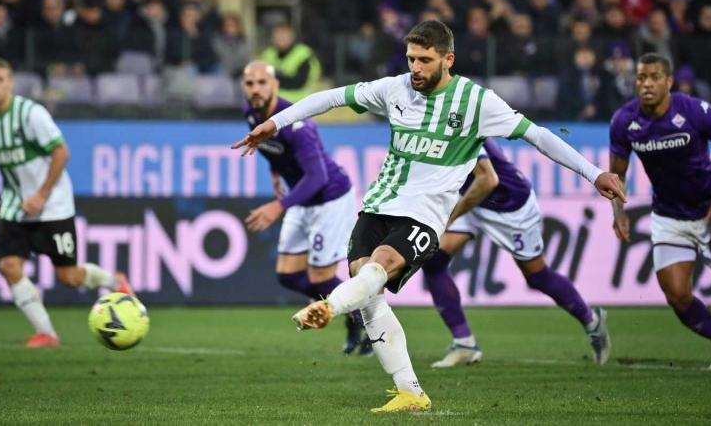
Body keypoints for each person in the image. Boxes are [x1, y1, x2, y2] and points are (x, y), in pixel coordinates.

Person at [233, 21, 625, 413]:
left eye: (424, 60)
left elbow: (538, 135)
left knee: (377, 272)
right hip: (378, 204)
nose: (415, 68)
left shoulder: (477, 102)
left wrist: (595, 174)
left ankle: (329, 308)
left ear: (447, 59)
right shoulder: (395, 88)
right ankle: (410, 392)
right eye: (411, 59)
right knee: (368, 291)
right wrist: (274, 123)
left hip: (426, 216)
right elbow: (332, 97)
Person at [0, 58, 133, 348]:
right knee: (8, 265)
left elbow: (61, 153)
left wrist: (41, 195)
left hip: (53, 205)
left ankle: (115, 282)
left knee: (69, 276)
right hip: (14, 206)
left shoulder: (31, 114)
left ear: (11, 83)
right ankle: (46, 333)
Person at [425, 138, 610, 368]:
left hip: (510, 206)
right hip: (472, 200)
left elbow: (487, 179)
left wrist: (450, 216)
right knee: (433, 260)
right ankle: (464, 344)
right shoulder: (432, 123)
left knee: (537, 276)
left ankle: (592, 321)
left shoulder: (463, 123)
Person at [610, 52, 711, 370]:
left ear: (669, 81)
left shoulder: (694, 110)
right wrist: (618, 212)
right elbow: (617, 174)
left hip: (710, 212)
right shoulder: (624, 121)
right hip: (667, 215)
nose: (646, 84)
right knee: (677, 295)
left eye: (654, 77)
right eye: (641, 78)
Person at [241, 61, 367, 355]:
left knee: (321, 277)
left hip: (328, 199)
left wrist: (278, 206)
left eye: (262, 83)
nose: (256, 89)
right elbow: (270, 147)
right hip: (302, 198)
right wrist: (276, 172)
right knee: (288, 275)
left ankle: (362, 316)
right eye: (250, 84)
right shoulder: (251, 113)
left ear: (275, 86)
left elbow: (318, 176)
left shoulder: (297, 125)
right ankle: (351, 310)